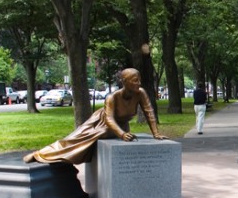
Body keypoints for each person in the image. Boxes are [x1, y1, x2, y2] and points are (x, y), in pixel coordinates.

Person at [23, 68, 167, 164]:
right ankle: (40, 154)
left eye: (139, 80)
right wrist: (122, 135)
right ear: (124, 82)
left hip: (120, 126)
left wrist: (156, 133)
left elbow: (149, 112)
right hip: (101, 123)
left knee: (87, 145)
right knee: (73, 140)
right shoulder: (112, 97)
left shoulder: (140, 93)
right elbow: (109, 118)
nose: (139, 83)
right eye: (135, 80)